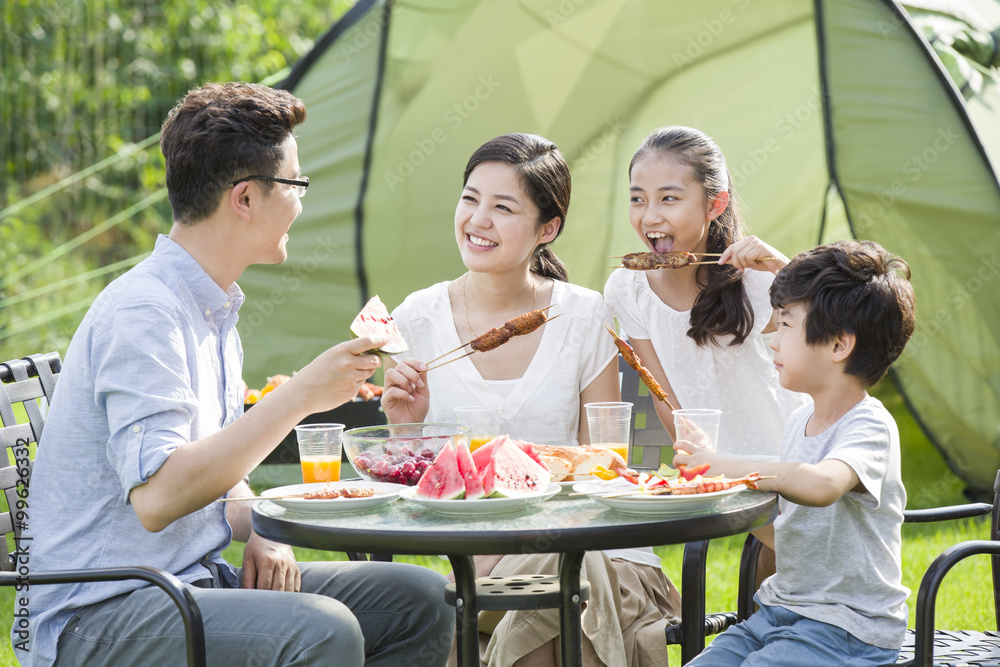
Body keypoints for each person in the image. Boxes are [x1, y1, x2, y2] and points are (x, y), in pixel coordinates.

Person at [16, 82, 453, 667]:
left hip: (187, 581)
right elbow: (159, 495)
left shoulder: (212, 308)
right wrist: (300, 397)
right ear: (245, 198)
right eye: (296, 184)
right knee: (323, 632)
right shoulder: (145, 313)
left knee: (420, 599)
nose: (302, 201)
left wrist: (269, 525)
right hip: (103, 613)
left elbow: (216, 472)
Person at [382, 133, 681, 666]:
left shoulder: (583, 317)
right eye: (470, 198)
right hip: (464, 565)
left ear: (548, 229)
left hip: (588, 555)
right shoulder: (416, 320)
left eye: (503, 207)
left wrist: (500, 554)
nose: (478, 220)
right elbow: (414, 483)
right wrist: (406, 429)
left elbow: (599, 469)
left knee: (561, 591)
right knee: (548, 604)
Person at [674, 239, 916, 666]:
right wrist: (719, 486)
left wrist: (723, 463)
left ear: (840, 345)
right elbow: (791, 535)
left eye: (785, 325)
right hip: (777, 614)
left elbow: (822, 485)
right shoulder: (798, 421)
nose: (773, 342)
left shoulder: (869, 425)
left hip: (847, 630)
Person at [603, 126, 808, 456]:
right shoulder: (628, 290)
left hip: (785, 457)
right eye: (637, 199)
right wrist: (703, 461)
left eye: (669, 198)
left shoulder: (756, 279)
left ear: (714, 205)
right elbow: (663, 396)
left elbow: (830, 336)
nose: (650, 215)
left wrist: (783, 267)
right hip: (709, 465)